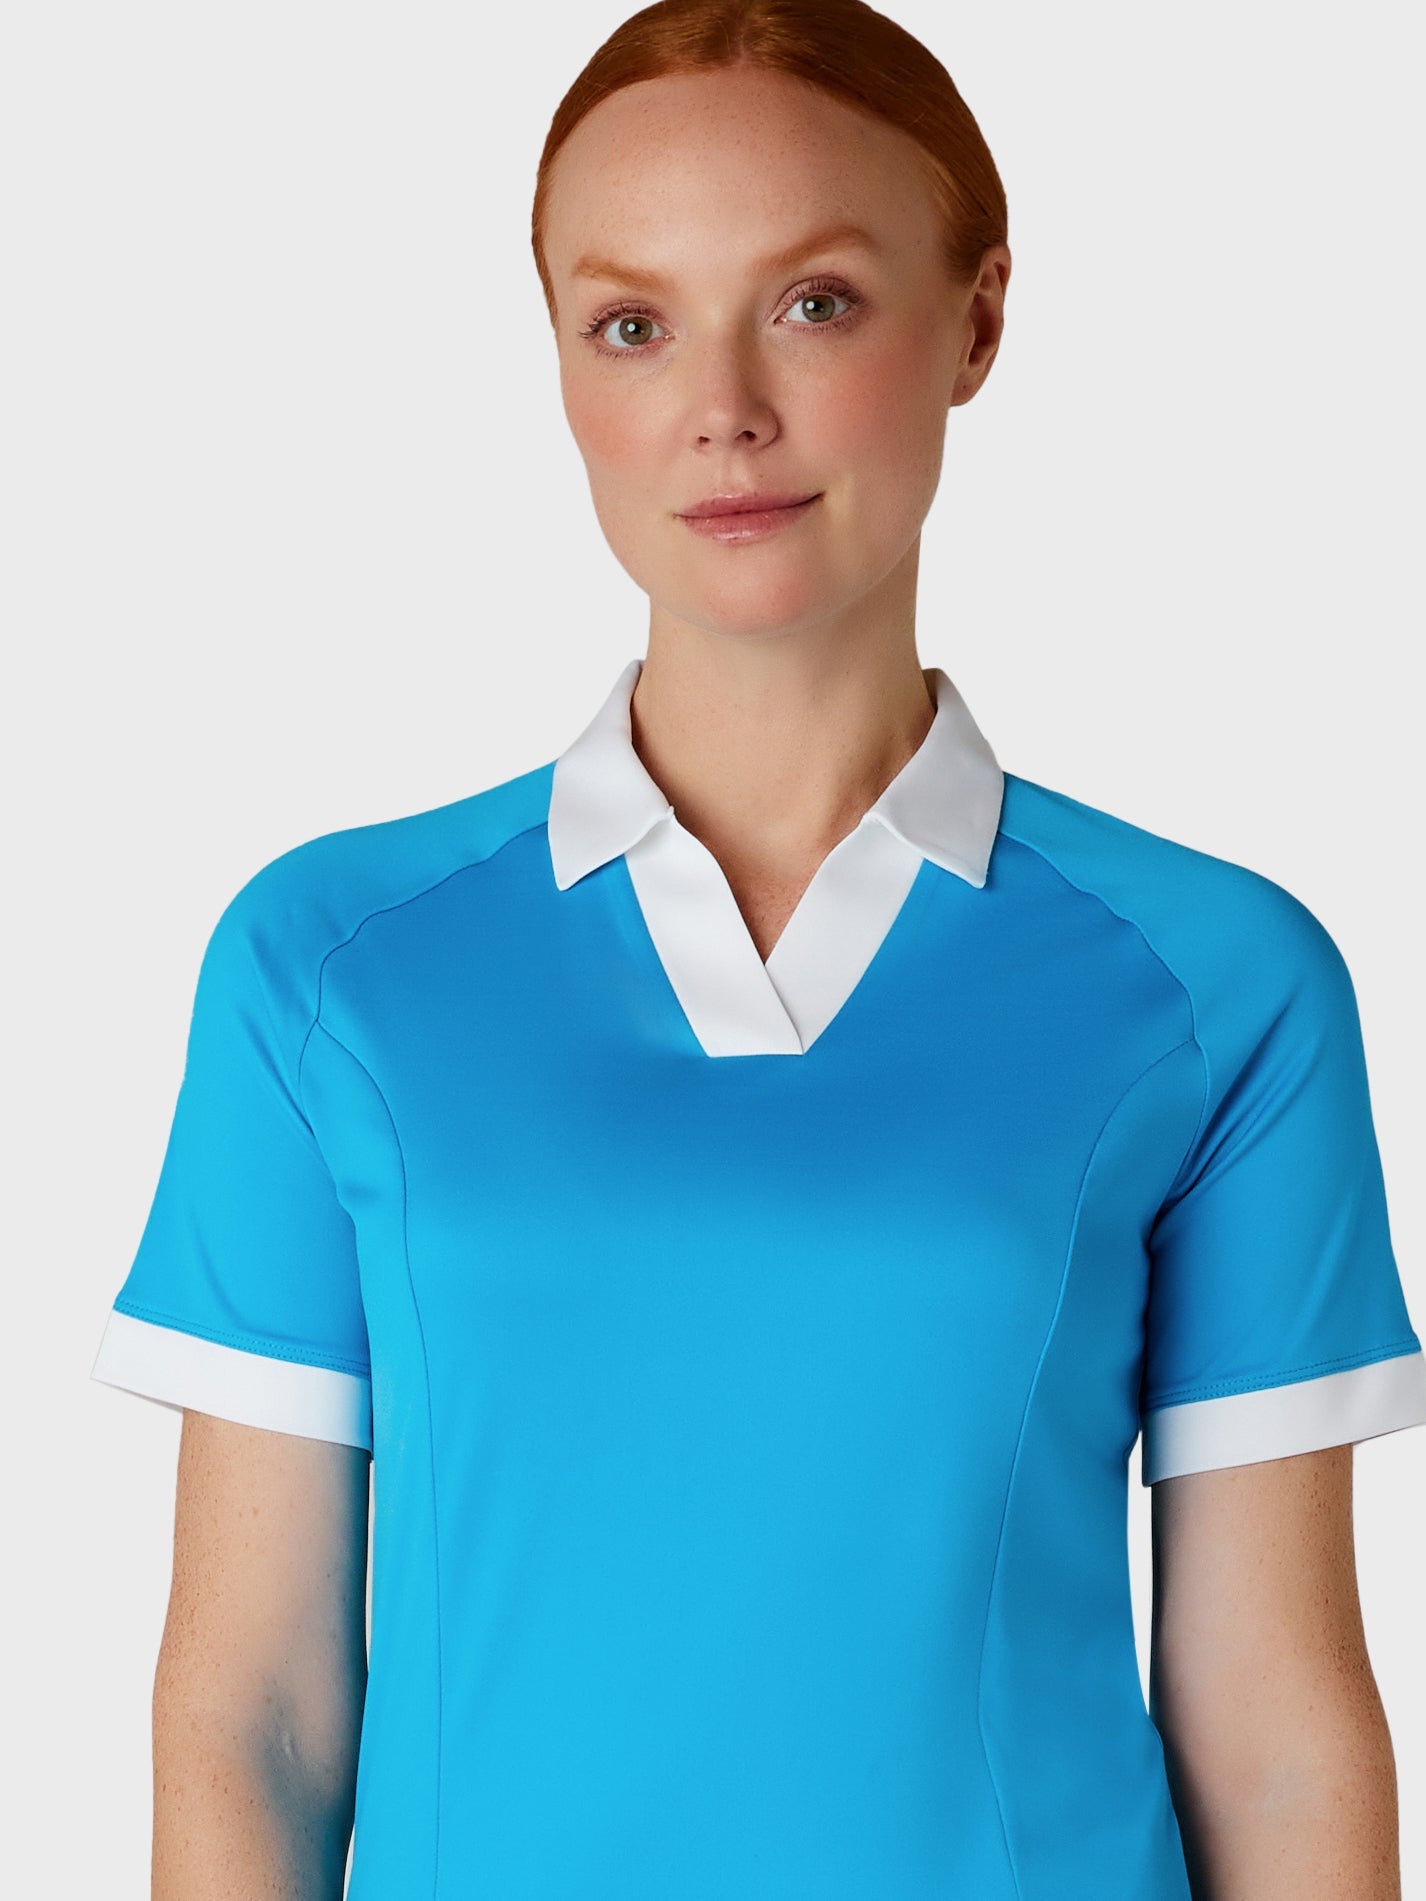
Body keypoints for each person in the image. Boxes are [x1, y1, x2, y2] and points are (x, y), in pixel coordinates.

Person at [90, 2, 1426, 1896]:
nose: (720, 406)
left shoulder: (1217, 986)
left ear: (976, 319)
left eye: (813, 303)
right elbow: (253, 1713)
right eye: (630, 324)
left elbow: (1277, 1735)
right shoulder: (329, 970)